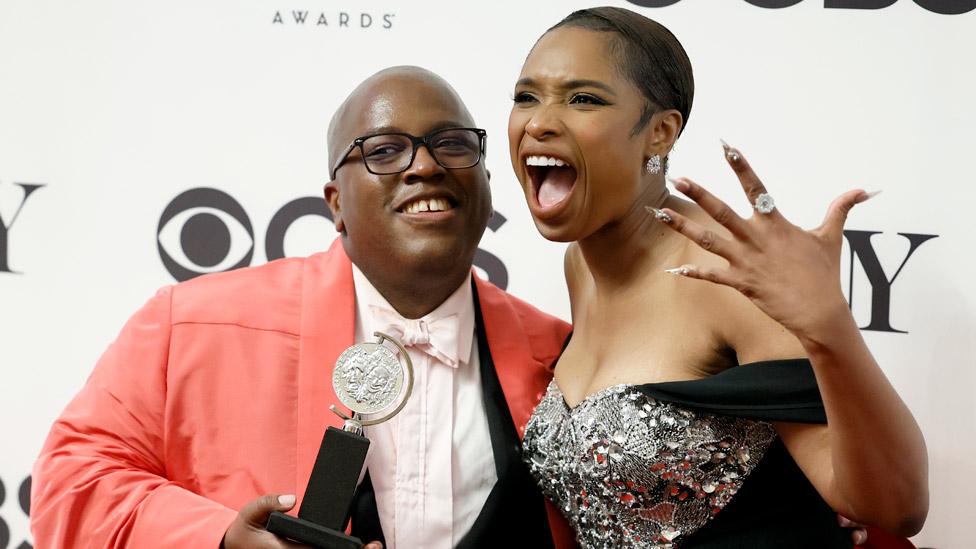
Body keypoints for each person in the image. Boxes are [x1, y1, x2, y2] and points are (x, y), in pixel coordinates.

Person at [30, 66, 577, 549]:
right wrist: (218, 539)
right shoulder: (187, 325)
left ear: (485, 180)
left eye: (453, 144)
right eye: (384, 151)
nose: (426, 166)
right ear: (336, 204)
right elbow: (71, 484)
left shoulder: (568, 357)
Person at [509, 7, 928, 548]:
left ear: (659, 133)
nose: (539, 121)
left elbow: (896, 506)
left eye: (583, 98)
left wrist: (831, 329)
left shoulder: (730, 277)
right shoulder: (581, 264)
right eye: (526, 96)